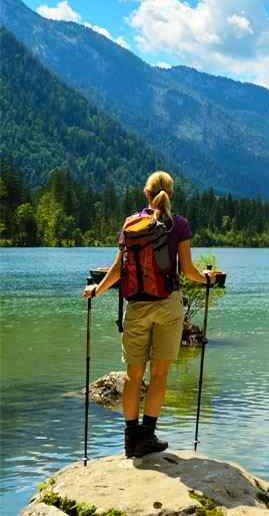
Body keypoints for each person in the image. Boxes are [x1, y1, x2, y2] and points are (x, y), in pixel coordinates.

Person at [82, 171, 213, 458]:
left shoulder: (132, 224)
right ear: (171, 194)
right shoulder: (179, 225)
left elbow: (118, 269)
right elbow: (187, 270)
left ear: (146, 193)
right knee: (160, 372)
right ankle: (147, 436)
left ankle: (131, 441)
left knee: (133, 375)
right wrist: (206, 278)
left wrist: (96, 290)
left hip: (136, 306)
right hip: (167, 306)